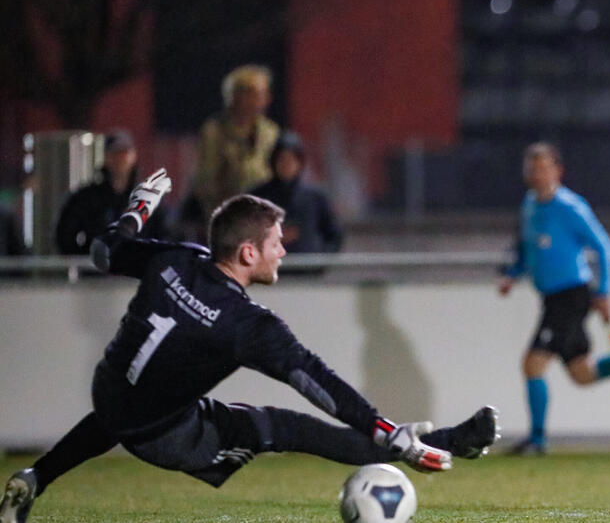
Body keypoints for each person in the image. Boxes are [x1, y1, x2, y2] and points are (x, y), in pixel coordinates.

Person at [0, 171, 498, 523]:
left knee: (128, 404)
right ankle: (447, 443)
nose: (283, 250)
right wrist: (386, 430)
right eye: (276, 242)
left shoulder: (178, 258)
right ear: (247, 253)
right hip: (164, 434)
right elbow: (315, 381)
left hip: (109, 391)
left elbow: (104, 251)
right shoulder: (247, 323)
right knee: (285, 427)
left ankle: (35, 477)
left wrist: (137, 210)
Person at [498, 142, 610, 455]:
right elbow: (529, 248)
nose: (536, 173)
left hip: (571, 296)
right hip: (551, 299)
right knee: (582, 373)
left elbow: (603, 247)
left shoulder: (570, 207)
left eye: (543, 167)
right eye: (532, 168)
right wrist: (514, 273)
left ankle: (537, 440)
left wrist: (603, 292)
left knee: (533, 363)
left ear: (557, 171)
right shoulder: (530, 205)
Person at [189, 65, 280, 228]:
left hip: (262, 216)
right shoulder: (215, 131)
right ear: (238, 96)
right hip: (228, 215)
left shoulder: (270, 132)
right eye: (257, 93)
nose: (264, 99)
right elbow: (207, 180)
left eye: (264, 93)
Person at [55, 130, 168, 254]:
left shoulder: (148, 197)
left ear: (133, 156)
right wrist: (88, 259)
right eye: (115, 154)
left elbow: (163, 235)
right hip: (97, 269)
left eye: (124, 153)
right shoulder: (86, 198)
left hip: (135, 270)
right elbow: (64, 235)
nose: (120, 159)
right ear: (106, 158)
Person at [249, 131, 343, 254]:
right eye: (282, 159)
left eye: (292, 160)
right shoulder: (258, 197)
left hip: (307, 269)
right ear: (273, 161)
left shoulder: (315, 197)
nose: (287, 165)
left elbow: (334, 235)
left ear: (300, 163)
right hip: (268, 269)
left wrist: (320, 260)